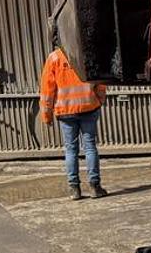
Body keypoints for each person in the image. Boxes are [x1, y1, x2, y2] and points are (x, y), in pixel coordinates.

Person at [39, 46, 109, 200]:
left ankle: (74, 189)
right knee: (90, 147)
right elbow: (100, 80)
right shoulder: (87, 53)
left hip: (66, 111)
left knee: (71, 150)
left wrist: (46, 115)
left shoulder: (54, 58)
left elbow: (47, 89)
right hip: (89, 107)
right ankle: (95, 187)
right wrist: (99, 100)